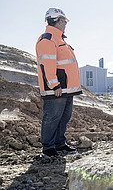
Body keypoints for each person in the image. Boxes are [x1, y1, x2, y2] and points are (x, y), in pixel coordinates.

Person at [36, 8, 82, 156]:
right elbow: (47, 64)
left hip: (67, 88)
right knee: (52, 116)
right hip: (57, 87)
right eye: (64, 21)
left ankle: (59, 143)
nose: (65, 24)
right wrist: (54, 84)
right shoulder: (48, 39)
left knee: (64, 116)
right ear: (58, 20)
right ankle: (48, 147)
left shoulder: (60, 39)